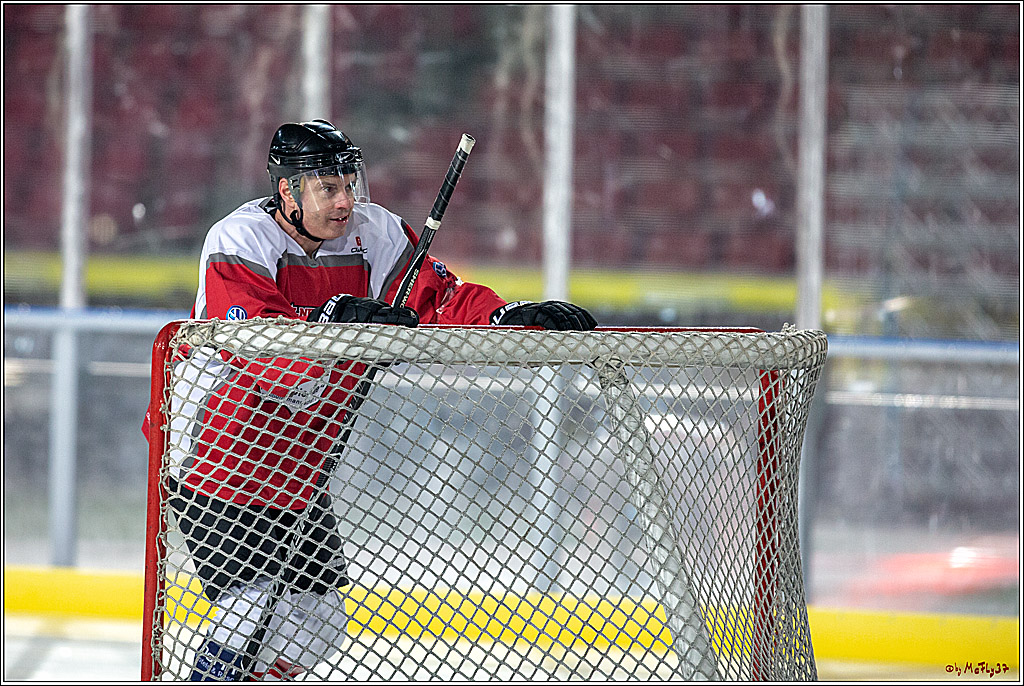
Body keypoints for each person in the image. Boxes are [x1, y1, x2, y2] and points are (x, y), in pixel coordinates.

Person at [144, 119, 596, 680]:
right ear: (288, 190)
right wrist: (333, 322)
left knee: (318, 620)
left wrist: (506, 318)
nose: (345, 199)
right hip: (219, 454)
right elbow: (255, 341)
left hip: (299, 468)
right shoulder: (239, 239)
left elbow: (439, 299)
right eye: (327, 187)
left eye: (349, 184)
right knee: (249, 605)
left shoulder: (374, 233)